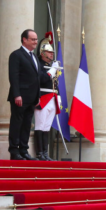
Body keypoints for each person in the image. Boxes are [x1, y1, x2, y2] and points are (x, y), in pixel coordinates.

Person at [7, 29, 41, 160]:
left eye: (36, 39)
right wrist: (17, 94)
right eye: (33, 39)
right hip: (20, 97)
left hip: (32, 98)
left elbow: (37, 78)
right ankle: (14, 151)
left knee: (27, 124)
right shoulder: (16, 55)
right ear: (24, 40)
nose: (35, 42)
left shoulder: (34, 57)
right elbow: (13, 76)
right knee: (17, 123)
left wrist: (37, 96)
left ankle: (24, 150)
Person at [33, 32, 62, 161]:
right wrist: (51, 71)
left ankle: (45, 152)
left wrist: (59, 96)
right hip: (42, 98)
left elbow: (55, 83)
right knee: (40, 125)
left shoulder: (51, 66)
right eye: (49, 52)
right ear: (42, 53)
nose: (52, 54)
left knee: (46, 127)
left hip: (52, 98)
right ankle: (39, 153)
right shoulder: (39, 65)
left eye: (52, 53)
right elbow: (43, 79)